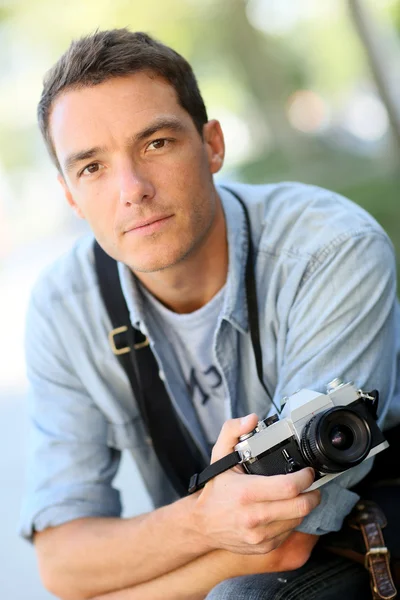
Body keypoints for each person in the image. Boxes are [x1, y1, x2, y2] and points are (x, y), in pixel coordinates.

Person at [19, 28, 400, 600]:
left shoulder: (330, 248)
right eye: (92, 167)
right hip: (213, 556)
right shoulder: (61, 309)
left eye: (156, 143)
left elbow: (286, 537)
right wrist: (198, 522)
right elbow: (63, 563)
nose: (132, 189)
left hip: (362, 528)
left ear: (212, 145)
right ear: (71, 195)